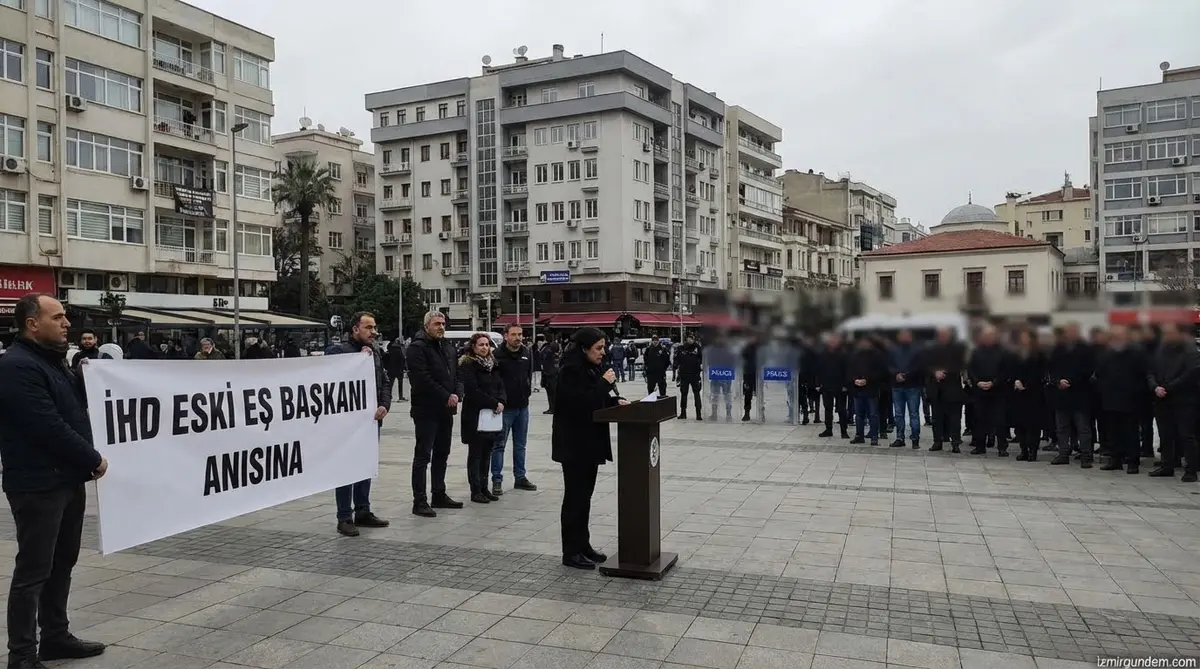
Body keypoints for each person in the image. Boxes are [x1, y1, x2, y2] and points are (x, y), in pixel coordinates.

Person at [0, 294, 108, 668]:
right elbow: (47, 426)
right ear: (32, 323)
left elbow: (74, 411)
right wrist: (92, 457)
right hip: (38, 485)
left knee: (63, 563)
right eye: (58, 317)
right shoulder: (16, 367)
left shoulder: (54, 363)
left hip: (66, 480)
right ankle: (22, 655)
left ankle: (56, 637)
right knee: (33, 571)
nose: (67, 323)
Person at [552, 327, 627, 570]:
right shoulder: (570, 372)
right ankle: (570, 552)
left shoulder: (592, 369)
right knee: (575, 499)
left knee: (585, 498)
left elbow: (597, 399)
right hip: (574, 446)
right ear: (584, 349)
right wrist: (605, 385)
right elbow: (580, 403)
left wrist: (615, 401)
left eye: (603, 348)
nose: (603, 353)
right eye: (598, 348)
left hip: (589, 444)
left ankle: (583, 545)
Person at [325, 312, 391, 536]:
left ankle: (363, 510)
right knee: (346, 468)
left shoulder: (375, 353)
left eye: (374, 328)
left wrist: (384, 404)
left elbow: (384, 380)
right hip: (347, 424)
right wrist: (355, 361)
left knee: (365, 465)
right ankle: (344, 516)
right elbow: (329, 381)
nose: (374, 332)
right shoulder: (339, 351)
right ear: (355, 329)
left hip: (371, 421)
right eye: (368, 328)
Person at [406, 311, 464, 516]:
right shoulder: (417, 348)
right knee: (423, 456)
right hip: (426, 410)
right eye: (437, 323)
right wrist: (445, 394)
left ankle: (439, 493)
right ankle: (419, 501)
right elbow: (422, 378)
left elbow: (457, 374)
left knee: (442, 453)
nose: (441, 327)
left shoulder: (446, 347)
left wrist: (457, 393)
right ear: (426, 326)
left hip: (446, 410)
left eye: (443, 323)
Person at [1148, 322, 1200, 481]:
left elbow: (1190, 374)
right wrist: (1155, 386)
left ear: (1180, 333)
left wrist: (1168, 388)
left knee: (1186, 435)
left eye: (1170, 333)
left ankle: (1191, 469)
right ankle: (1167, 465)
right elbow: (1150, 371)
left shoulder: (1191, 351)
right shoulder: (1161, 350)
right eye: (1165, 333)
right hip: (1161, 399)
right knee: (1165, 435)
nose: (1167, 336)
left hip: (1184, 400)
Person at [458, 333, 506, 504]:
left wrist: (501, 400)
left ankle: (485, 487)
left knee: (487, 454)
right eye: (481, 345)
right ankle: (476, 490)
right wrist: (494, 403)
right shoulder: (468, 364)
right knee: (476, 454)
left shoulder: (493, 364)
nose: (485, 347)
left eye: (487, 344)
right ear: (473, 347)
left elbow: (500, 385)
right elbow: (472, 390)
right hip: (476, 416)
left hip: (491, 417)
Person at [1095, 325, 1149, 474]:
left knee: (1130, 432)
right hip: (1110, 399)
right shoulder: (1107, 353)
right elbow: (1100, 373)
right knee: (1113, 432)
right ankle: (1115, 460)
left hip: (1130, 400)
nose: (1117, 339)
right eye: (1115, 336)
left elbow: (1142, 374)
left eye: (1120, 335)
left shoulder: (1136, 352)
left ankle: (1133, 462)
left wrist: (1136, 393)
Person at [492, 325, 537, 495]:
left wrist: (527, 391)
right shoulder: (497, 355)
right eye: (514, 334)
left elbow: (528, 375)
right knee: (499, 445)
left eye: (520, 334)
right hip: (504, 408)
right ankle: (497, 479)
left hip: (522, 406)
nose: (518, 337)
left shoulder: (526, 352)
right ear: (506, 336)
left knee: (520, 445)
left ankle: (520, 477)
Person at [1047, 323, 1096, 468]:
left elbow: (1088, 370)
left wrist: (1070, 380)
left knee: (1083, 427)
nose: (1070, 334)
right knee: (1061, 426)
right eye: (1068, 331)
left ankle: (1086, 455)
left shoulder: (1086, 349)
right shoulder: (1058, 349)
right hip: (1061, 394)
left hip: (1080, 393)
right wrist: (1058, 381)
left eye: (1073, 331)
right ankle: (1063, 453)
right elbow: (1051, 368)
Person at [966, 326, 1011, 457]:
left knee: (1000, 421)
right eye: (986, 336)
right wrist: (977, 382)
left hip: (998, 391)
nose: (988, 338)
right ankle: (980, 446)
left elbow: (1005, 371)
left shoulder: (1003, 352)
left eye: (991, 336)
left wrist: (994, 383)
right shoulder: (976, 351)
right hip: (980, 391)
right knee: (979, 419)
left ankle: (1002, 447)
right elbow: (971, 369)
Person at [924, 327, 966, 453]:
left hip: (953, 389)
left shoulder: (958, 348)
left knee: (954, 419)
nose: (942, 336)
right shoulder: (932, 348)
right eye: (940, 334)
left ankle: (955, 442)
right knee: (936, 418)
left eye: (945, 334)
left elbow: (961, 365)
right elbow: (926, 365)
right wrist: (934, 372)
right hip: (936, 390)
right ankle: (937, 441)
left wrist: (945, 372)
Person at [1009, 328, 1047, 462]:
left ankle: (1032, 450)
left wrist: (1026, 384)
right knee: (1020, 424)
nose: (1023, 340)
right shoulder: (1017, 354)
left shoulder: (1039, 354)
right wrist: (1015, 381)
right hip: (1018, 393)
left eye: (1026, 337)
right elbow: (1012, 370)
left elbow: (1039, 373)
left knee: (1033, 424)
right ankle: (1023, 449)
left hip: (1033, 393)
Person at [887, 329, 924, 450]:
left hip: (913, 385)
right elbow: (888, 365)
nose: (904, 338)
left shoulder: (917, 350)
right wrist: (896, 374)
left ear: (911, 337)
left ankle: (915, 439)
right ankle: (899, 438)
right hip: (897, 386)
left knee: (913, 413)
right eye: (902, 335)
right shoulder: (893, 350)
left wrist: (905, 376)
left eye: (906, 335)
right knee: (898, 414)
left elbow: (919, 367)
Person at [847, 336, 886, 445]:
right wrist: (854, 380)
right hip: (857, 388)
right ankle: (859, 435)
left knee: (873, 414)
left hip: (871, 389)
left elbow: (880, 372)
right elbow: (850, 370)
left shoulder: (877, 355)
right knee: (859, 414)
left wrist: (867, 380)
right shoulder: (855, 355)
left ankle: (874, 436)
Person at [815, 333, 849, 438]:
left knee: (842, 409)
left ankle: (844, 431)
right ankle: (828, 429)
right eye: (830, 341)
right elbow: (818, 370)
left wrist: (846, 385)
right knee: (827, 409)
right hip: (826, 385)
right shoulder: (823, 354)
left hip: (840, 386)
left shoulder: (843, 354)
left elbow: (848, 371)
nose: (832, 343)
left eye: (834, 341)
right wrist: (818, 384)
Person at [674, 335, 703, 420]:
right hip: (684, 375)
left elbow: (702, 358)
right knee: (683, 394)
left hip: (695, 375)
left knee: (697, 394)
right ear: (686, 339)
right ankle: (683, 413)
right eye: (689, 338)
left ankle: (698, 413)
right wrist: (676, 369)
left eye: (692, 339)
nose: (691, 340)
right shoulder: (681, 348)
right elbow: (676, 359)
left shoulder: (697, 348)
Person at [386, 337, 407, 401]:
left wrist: (386, 367)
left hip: (391, 369)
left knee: (390, 384)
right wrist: (404, 368)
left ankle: (389, 396)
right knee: (400, 384)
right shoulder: (399, 350)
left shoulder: (389, 350)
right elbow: (402, 359)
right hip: (399, 369)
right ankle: (400, 397)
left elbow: (386, 359)